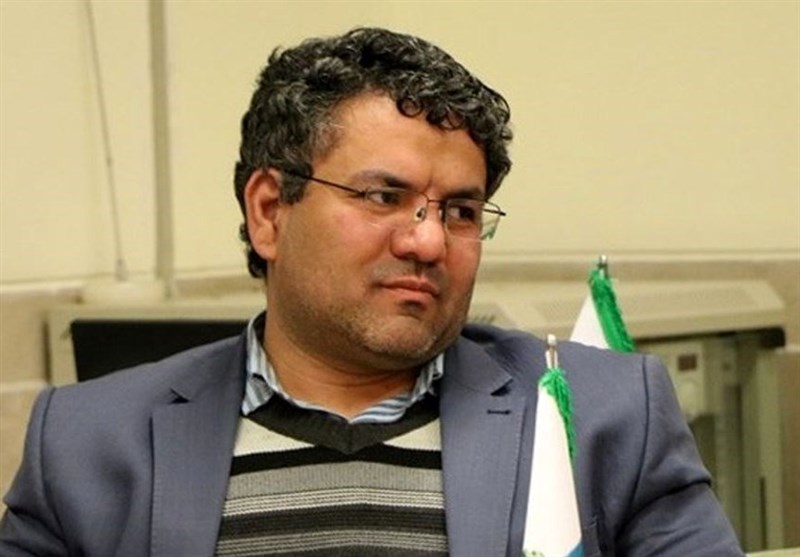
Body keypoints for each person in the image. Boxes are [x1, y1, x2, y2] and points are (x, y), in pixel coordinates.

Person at [0, 27, 742, 556]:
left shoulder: (606, 416)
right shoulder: (89, 443)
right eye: (385, 197)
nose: (428, 241)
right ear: (269, 211)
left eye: (460, 210)